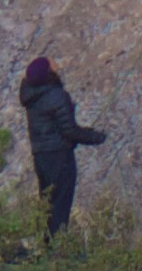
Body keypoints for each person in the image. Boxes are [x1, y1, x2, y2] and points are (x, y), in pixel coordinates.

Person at [20, 54, 106, 237]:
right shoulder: (57, 96)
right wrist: (95, 137)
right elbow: (69, 131)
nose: (57, 65)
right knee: (61, 204)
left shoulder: (32, 98)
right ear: (48, 73)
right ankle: (58, 248)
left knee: (47, 204)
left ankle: (45, 246)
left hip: (41, 157)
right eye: (53, 64)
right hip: (59, 157)